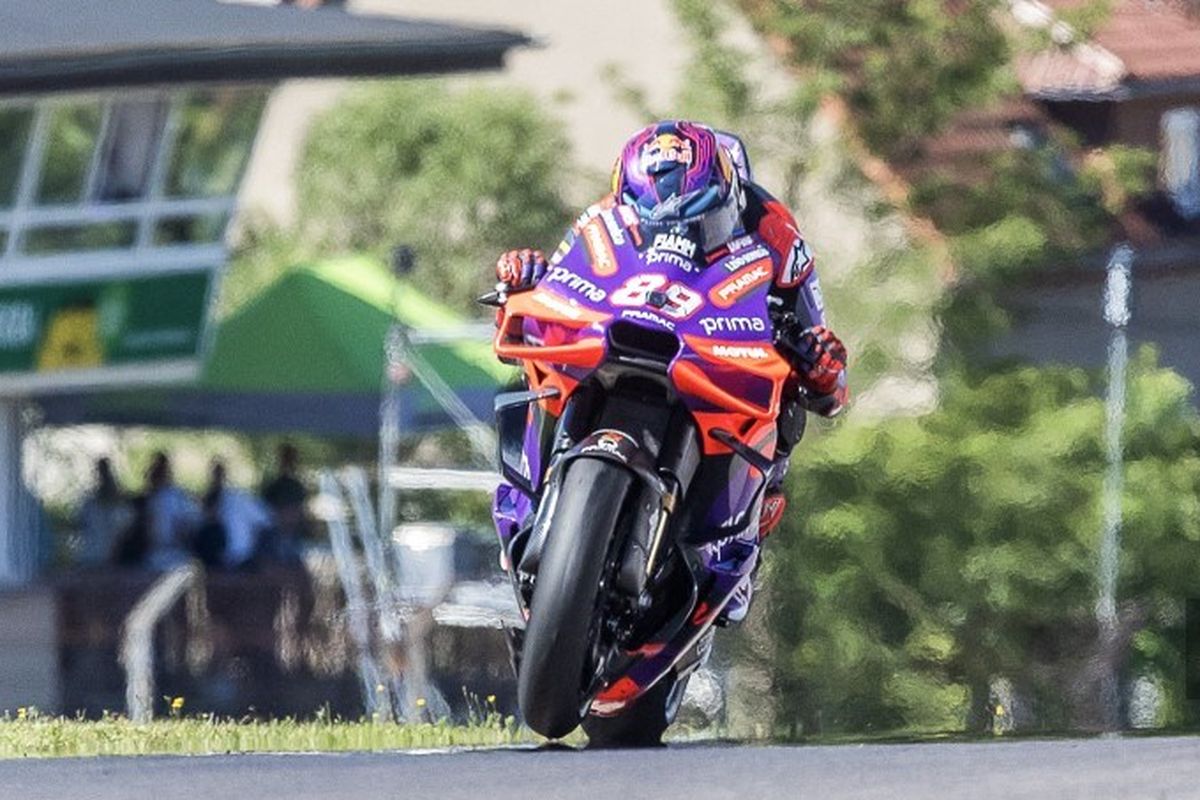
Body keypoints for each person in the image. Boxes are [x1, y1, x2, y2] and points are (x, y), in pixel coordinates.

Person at [494, 120, 849, 541]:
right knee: (537, 368)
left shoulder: (775, 232)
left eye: (695, 211)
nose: (669, 228)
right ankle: (534, 486)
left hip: (717, 344)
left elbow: (828, 376)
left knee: (786, 403)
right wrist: (524, 279)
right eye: (648, 214)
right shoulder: (607, 212)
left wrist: (821, 365)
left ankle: (743, 525)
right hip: (625, 323)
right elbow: (555, 288)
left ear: (728, 195)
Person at [205, 459, 273, 570]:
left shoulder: (238, 498)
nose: (217, 478)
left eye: (220, 474)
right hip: (218, 561)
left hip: (243, 558)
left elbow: (266, 521)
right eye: (215, 474)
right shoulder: (208, 499)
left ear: (225, 476)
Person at [144, 452, 200, 570]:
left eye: (160, 470)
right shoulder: (153, 499)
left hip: (176, 554)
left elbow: (191, 524)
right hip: (155, 555)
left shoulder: (179, 497)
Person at [259, 443, 309, 565]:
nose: (289, 463)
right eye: (286, 459)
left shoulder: (298, 486)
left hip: (293, 536)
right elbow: (265, 512)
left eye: (291, 459)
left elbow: (301, 511)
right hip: (276, 536)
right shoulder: (273, 487)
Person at [77, 457, 133, 566]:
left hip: (112, 558)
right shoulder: (90, 503)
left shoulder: (120, 504)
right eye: (100, 472)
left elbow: (126, 528)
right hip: (91, 556)